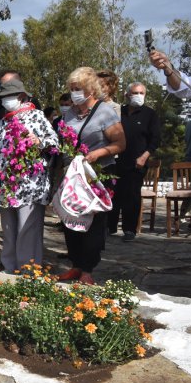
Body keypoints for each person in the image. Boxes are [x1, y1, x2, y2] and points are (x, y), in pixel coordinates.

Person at [0, 79, 59, 273]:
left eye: (7, 97)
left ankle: (28, 269)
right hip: (6, 184)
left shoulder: (36, 116)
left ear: (20, 97)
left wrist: (39, 141)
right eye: (2, 98)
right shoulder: (4, 121)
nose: (4, 101)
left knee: (28, 229)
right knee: (9, 228)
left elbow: (54, 142)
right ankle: (10, 267)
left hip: (30, 184)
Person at [58, 67, 126, 285]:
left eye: (77, 89)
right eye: (71, 89)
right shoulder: (70, 113)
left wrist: (99, 153)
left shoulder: (105, 112)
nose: (74, 93)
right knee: (71, 217)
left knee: (93, 220)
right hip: (74, 172)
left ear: (90, 90)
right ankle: (75, 264)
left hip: (99, 172)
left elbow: (120, 144)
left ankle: (88, 268)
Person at [108, 82, 161, 241]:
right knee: (113, 193)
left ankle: (129, 230)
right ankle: (109, 227)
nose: (138, 96)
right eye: (135, 93)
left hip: (137, 161)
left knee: (131, 195)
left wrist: (144, 157)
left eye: (141, 93)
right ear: (127, 95)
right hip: (116, 160)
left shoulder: (150, 114)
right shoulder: (118, 112)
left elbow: (156, 139)